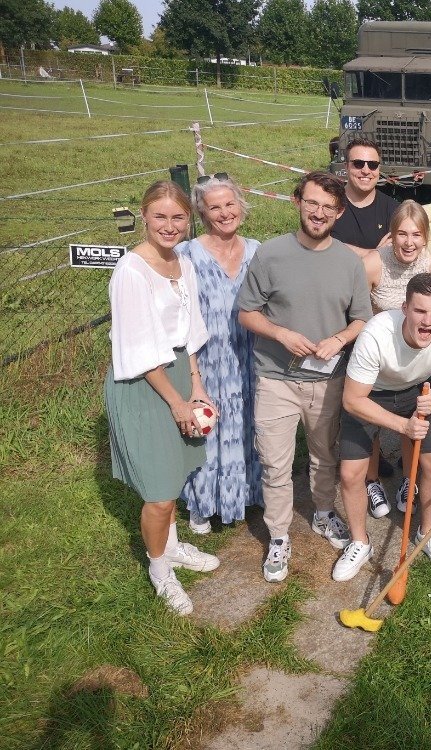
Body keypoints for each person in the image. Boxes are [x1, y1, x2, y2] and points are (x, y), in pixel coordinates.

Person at [238, 171, 373, 583]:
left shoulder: (350, 262)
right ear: (298, 201)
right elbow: (246, 312)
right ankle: (278, 535)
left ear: (339, 212)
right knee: (275, 463)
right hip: (275, 377)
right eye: (312, 203)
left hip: (327, 380)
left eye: (328, 207)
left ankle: (323, 512)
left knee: (324, 455)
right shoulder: (271, 254)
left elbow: (362, 319)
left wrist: (340, 338)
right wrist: (280, 333)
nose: (318, 212)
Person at [104, 180, 220, 616]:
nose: (169, 226)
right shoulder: (131, 271)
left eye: (178, 218)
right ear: (144, 215)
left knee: (176, 476)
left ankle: (170, 547)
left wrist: (197, 384)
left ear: (188, 220)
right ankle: (159, 571)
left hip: (175, 373)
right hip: (144, 382)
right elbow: (139, 349)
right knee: (158, 492)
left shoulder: (181, 263)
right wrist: (176, 402)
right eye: (160, 217)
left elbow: (189, 332)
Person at [335, 273, 431, 581]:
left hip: (420, 392)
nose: (428, 321)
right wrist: (402, 426)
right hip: (371, 394)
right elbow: (352, 400)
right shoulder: (376, 333)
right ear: (405, 308)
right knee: (350, 472)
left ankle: (426, 531)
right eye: (420, 311)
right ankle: (359, 542)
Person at [178, 173, 263, 533]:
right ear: (202, 211)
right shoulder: (186, 255)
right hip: (206, 362)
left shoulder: (258, 251)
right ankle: (202, 501)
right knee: (207, 430)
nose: (225, 213)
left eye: (230, 204)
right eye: (215, 207)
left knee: (248, 427)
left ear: (240, 205)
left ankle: (247, 494)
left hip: (251, 358)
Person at [360, 200, 431, 518]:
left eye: (416, 235)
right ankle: (372, 480)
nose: (409, 242)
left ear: (425, 237)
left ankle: (409, 480)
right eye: (402, 234)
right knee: (371, 424)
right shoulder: (372, 265)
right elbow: (359, 313)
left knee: (416, 421)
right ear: (391, 236)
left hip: (417, 362)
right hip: (378, 361)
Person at [331, 137, 401, 256]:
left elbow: (397, 255)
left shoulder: (394, 210)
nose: (366, 170)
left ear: (379, 168)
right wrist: (375, 253)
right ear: (346, 166)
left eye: (373, 165)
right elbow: (319, 244)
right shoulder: (329, 203)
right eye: (358, 164)